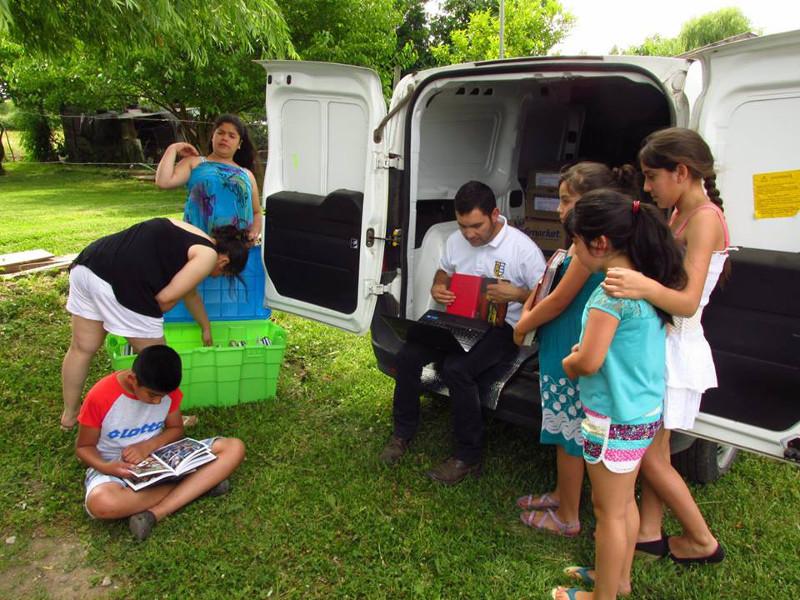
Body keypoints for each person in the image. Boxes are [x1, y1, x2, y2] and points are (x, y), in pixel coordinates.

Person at [602, 127, 729, 565]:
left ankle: (702, 541)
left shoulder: (706, 219)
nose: (649, 186)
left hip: (679, 349)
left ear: (682, 171)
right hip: (665, 342)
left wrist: (640, 285)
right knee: (657, 451)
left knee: (652, 459)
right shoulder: (679, 212)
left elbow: (687, 302)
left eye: (653, 177)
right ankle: (651, 535)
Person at [553, 189, 687, 600]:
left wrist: (569, 362)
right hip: (642, 414)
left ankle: (603, 596)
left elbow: (589, 361)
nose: (572, 250)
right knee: (624, 504)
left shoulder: (608, 295)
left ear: (599, 244)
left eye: (575, 242)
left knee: (608, 512)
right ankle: (618, 579)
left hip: (611, 417)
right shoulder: (644, 285)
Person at [379, 180, 546, 485]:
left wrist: (519, 295)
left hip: (503, 328)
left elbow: (547, 299)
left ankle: (467, 457)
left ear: (495, 214)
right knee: (408, 355)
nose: (469, 234)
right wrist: (438, 286)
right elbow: (445, 269)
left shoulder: (523, 249)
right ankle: (402, 434)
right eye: (463, 225)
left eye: (476, 225)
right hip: (457, 320)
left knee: (458, 369)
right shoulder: (457, 241)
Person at [513, 162, 638, 537]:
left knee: (570, 433)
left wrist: (523, 323)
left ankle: (568, 514)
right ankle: (560, 493)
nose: (558, 208)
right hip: (561, 343)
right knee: (561, 423)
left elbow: (560, 299)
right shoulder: (581, 240)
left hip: (571, 342)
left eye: (566, 201)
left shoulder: (590, 248)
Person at [60, 217, 248, 431]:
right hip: (124, 282)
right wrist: (147, 322)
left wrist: (205, 326)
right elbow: (164, 300)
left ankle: (70, 416)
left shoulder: (190, 234)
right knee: (161, 363)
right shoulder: (208, 256)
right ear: (224, 262)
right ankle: (170, 420)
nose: (215, 277)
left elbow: (190, 293)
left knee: (82, 349)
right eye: (221, 275)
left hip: (89, 265)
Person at [75, 345, 245, 540]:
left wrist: (148, 446)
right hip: (115, 464)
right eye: (152, 395)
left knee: (233, 447)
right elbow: (83, 447)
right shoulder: (101, 396)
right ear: (133, 379)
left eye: (162, 397)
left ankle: (156, 513)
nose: (158, 402)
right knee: (102, 504)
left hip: (161, 455)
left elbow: (176, 428)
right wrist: (108, 467)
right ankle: (197, 485)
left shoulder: (166, 391)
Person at [156, 114, 262, 245]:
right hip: (198, 243)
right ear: (213, 136)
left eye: (231, 136)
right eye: (220, 133)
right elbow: (163, 181)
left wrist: (254, 232)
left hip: (236, 249)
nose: (225, 138)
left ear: (239, 144)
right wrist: (173, 149)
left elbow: (257, 212)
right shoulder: (194, 163)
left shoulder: (246, 174)